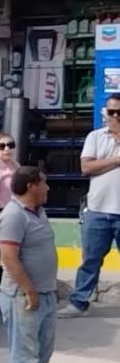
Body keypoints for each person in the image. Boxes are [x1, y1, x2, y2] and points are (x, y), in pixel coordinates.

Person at [0, 165, 57, 363]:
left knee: (41, 352)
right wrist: (30, 290)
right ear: (32, 185)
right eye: (44, 183)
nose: (48, 188)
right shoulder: (13, 216)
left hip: (44, 293)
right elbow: (9, 258)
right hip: (23, 296)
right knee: (27, 355)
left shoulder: (38, 211)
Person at [58, 95, 120, 318]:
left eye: (119, 112)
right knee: (90, 261)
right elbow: (86, 167)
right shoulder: (95, 137)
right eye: (111, 112)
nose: (115, 117)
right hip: (98, 210)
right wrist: (116, 160)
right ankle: (79, 302)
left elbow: (94, 165)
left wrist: (103, 164)